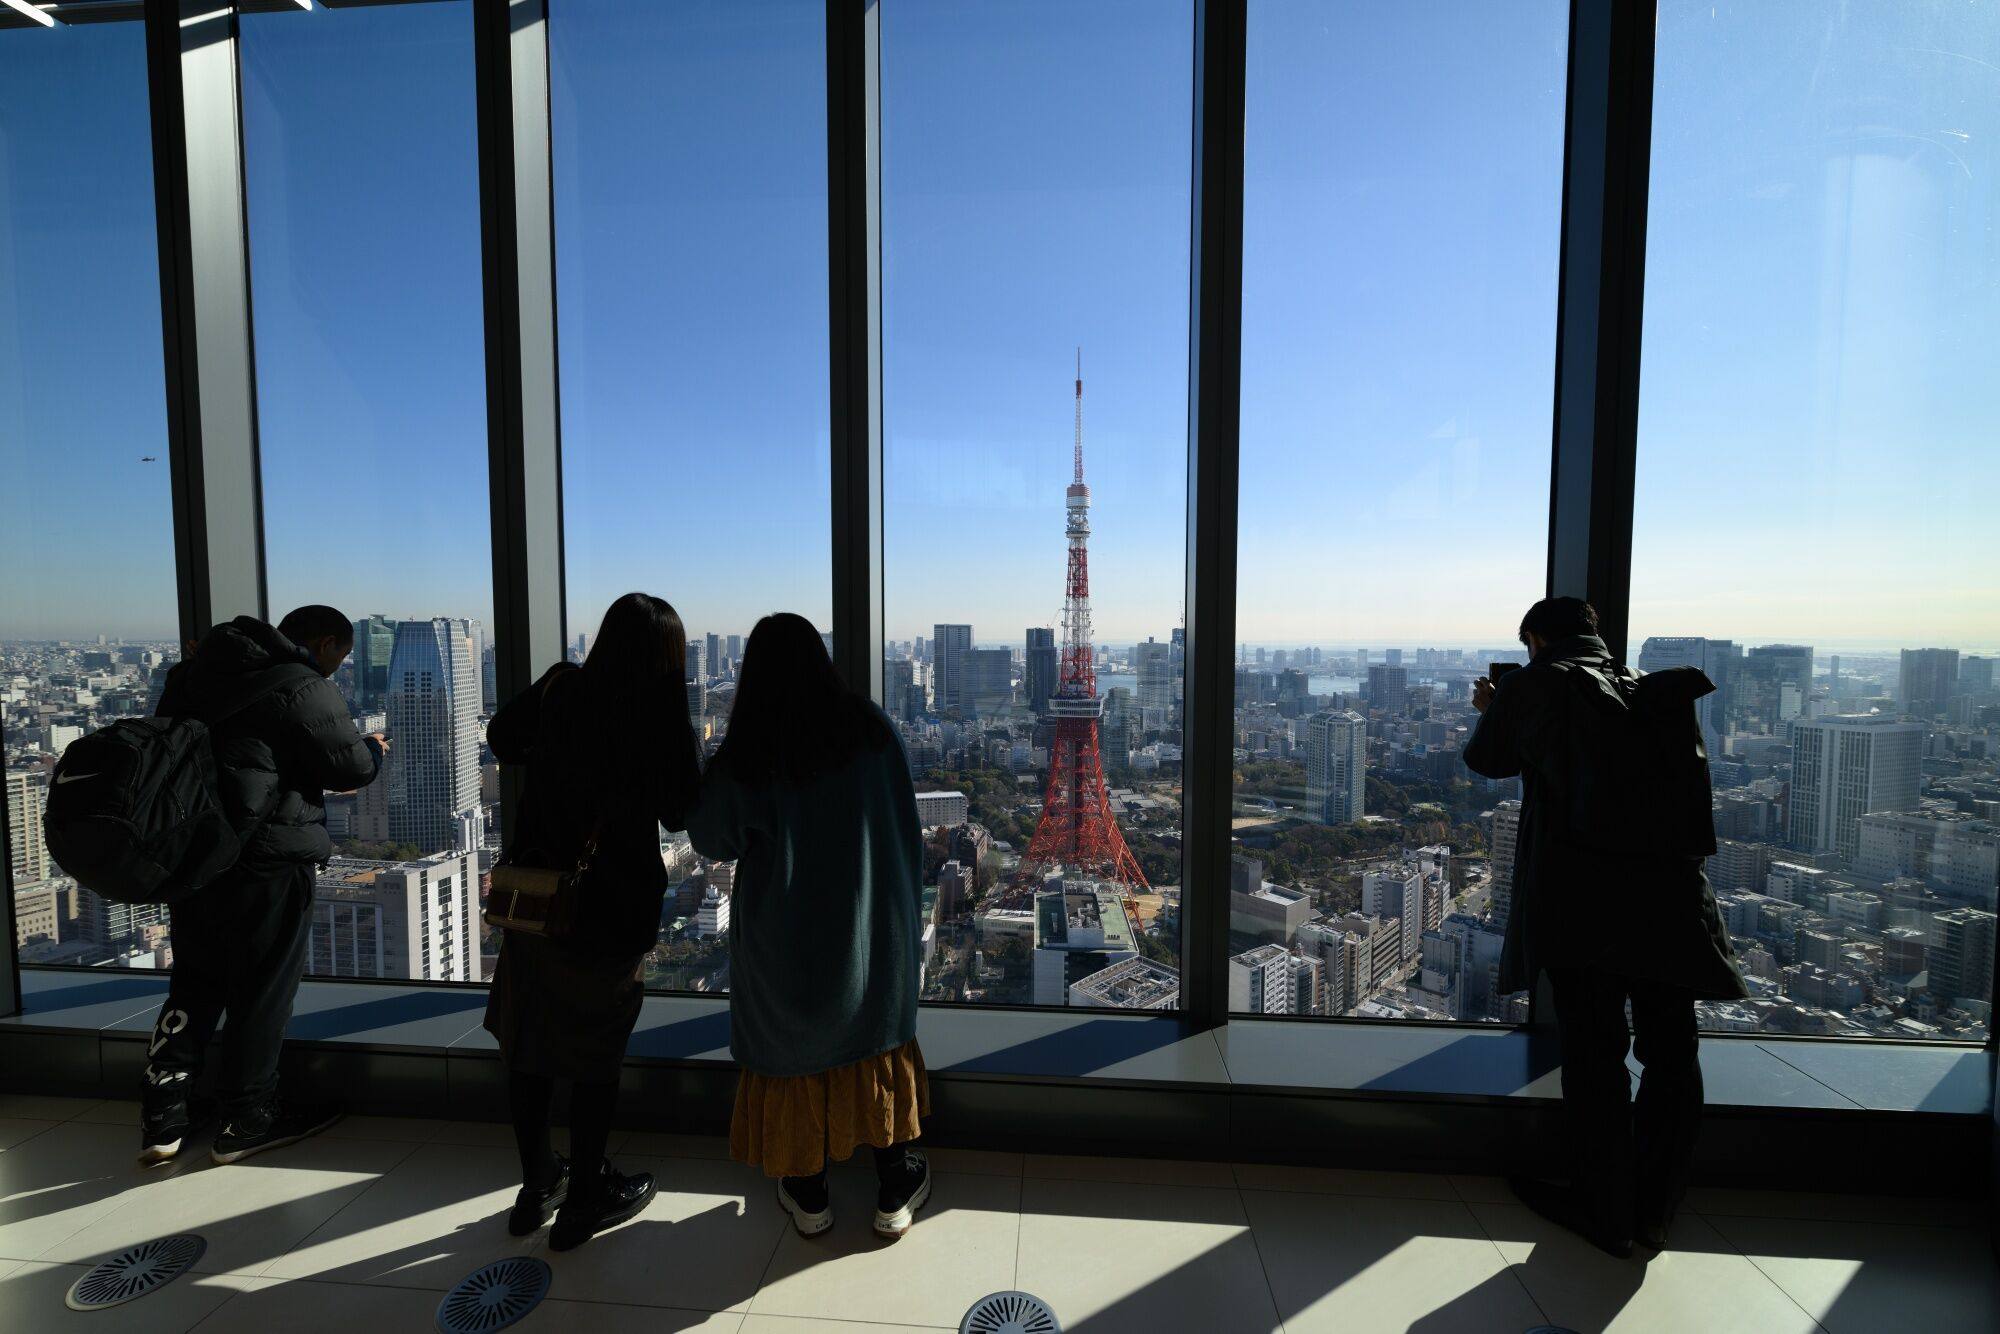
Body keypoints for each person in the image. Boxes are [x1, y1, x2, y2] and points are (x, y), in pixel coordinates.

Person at [1464, 596, 1747, 1257]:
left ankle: (1606, 1208)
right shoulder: (1650, 691)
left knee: (1595, 1056)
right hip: (1672, 899)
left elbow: (1486, 759)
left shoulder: (1538, 684)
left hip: (1582, 901)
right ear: (1595, 637)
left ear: (1534, 640)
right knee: (1672, 1054)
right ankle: (1656, 1207)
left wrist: (1493, 705)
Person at [688, 613, 931, 1240]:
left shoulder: (754, 754)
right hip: (870, 933)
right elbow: (904, 820)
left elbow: (709, 835)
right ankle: (894, 1185)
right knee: (872, 1039)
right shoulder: (872, 732)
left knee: (794, 1055)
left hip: (786, 943)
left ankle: (808, 1189)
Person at [482, 592, 700, 1251]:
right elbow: (683, 808)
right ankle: (584, 1199)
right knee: (595, 1050)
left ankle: (535, 1184)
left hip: (535, 895)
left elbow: (500, 739)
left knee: (530, 1042)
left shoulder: (560, 687)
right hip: (611, 904)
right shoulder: (656, 712)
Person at [141, 607, 387, 1166]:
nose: (337, 671)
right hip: (267, 855)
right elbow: (348, 769)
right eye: (340, 660)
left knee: (195, 979)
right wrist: (372, 750)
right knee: (264, 986)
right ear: (326, 644)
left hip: (196, 854)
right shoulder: (303, 685)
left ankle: (164, 1115)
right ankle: (246, 1118)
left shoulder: (192, 674)